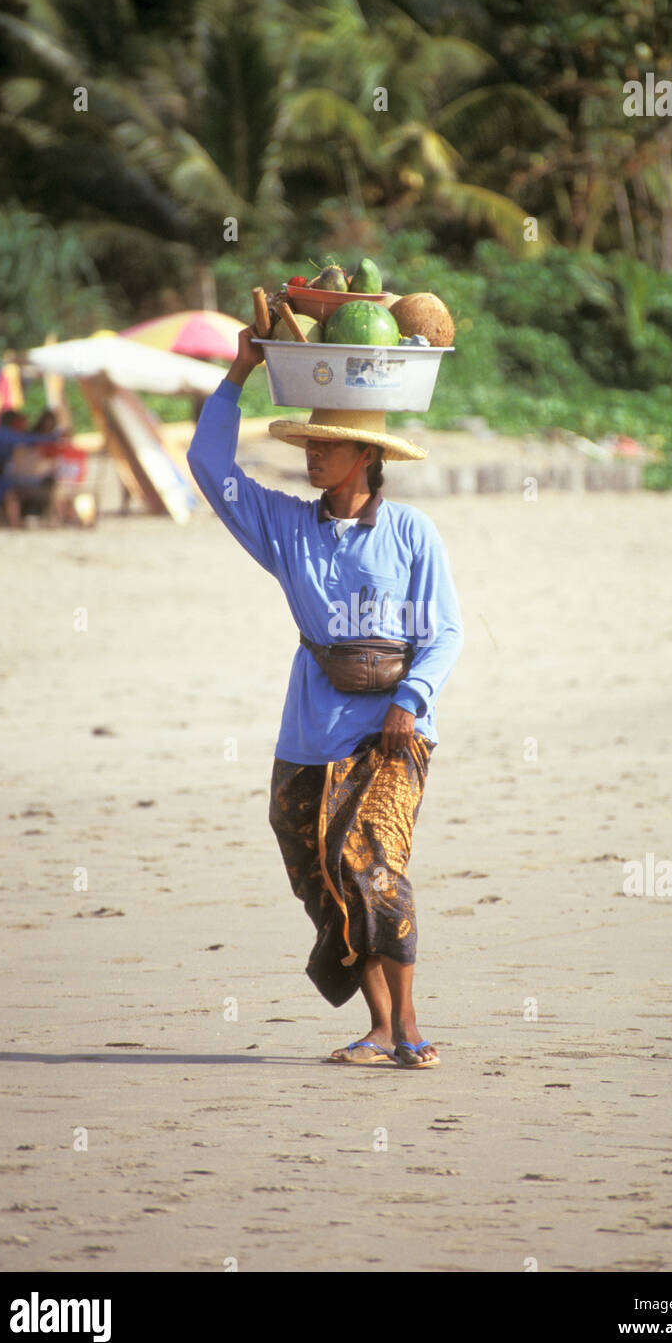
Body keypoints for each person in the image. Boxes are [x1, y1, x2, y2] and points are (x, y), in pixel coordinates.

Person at [187, 327, 463, 1068]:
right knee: (321, 878)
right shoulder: (284, 527)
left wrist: (412, 697)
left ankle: (407, 1029)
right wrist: (239, 370)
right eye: (308, 443)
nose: (312, 455)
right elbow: (208, 465)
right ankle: (378, 1025)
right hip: (308, 730)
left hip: (391, 731)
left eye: (328, 444)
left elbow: (445, 633)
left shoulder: (411, 533)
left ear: (367, 456)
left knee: (371, 863)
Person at [0, 409, 55, 526]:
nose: (25, 424)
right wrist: (55, 436)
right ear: (14, 422)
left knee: (12, 489)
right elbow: (29, 440)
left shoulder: (0, 434)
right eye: (21, 421)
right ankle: (15, 524)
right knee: (11, 492)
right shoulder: (5, 435)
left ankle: (14, 523)